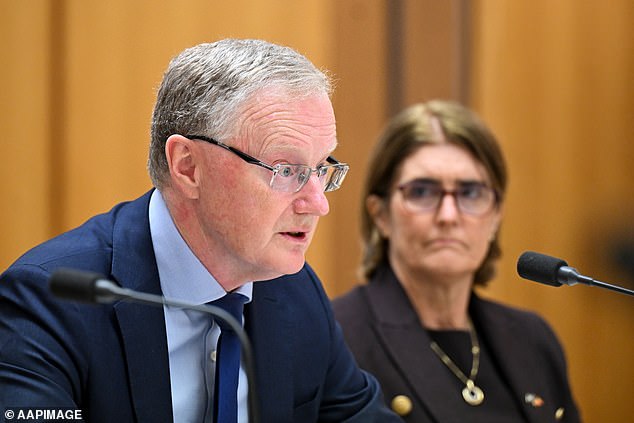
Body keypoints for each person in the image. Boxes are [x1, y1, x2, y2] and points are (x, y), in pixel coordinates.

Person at [0, 39, 403, 423]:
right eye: (286, 171)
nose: (318, 203)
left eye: (320, 170)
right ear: (189, 167)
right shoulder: (49, 301)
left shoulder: (294, 292)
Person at [332, 100, 581, 422]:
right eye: (422, 192)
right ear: (380, 215)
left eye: (471, 193)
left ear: (495, 216)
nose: (448, 215)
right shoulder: (338, 336)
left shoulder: (532, 338)